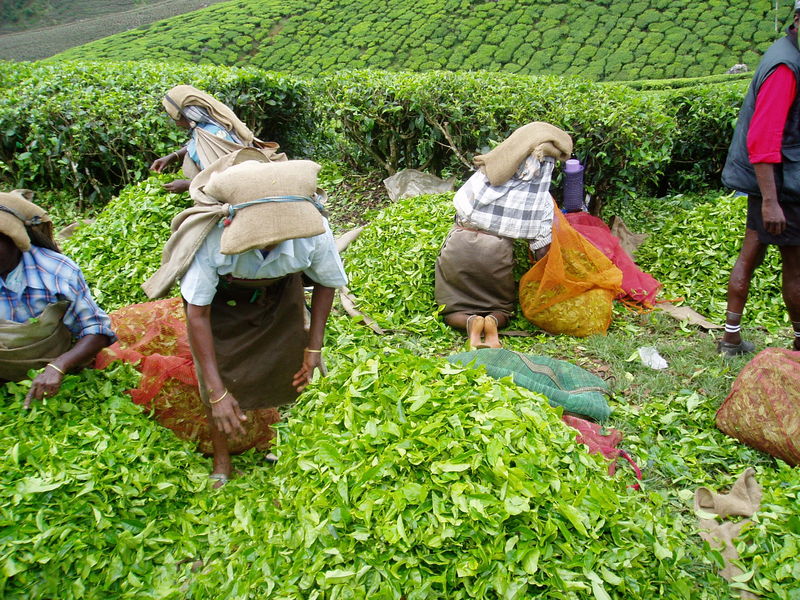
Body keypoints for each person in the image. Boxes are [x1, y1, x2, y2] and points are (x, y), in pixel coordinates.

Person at [144, 152, 347, 486]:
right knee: (217, 375)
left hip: (280, 292)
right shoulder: (210, 236)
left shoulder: (312, 227)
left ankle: (280, 435)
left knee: (288, 365)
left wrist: (314, 348)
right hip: (224, 299)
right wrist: (217, 391)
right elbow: (198, 313)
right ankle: (222, 460)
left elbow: (327, 282)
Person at [435, 122, 572, 348]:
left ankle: (471, 323)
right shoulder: (541, 202)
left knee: (452, 308)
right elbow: (542, 249)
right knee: (502, 308)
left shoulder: (483, 178)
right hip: (496, 254)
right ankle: (491, 321)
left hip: (458, 245)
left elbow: (459, 205)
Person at [720, 4, 800, 355]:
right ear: (797, 20)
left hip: (771, 182)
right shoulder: (786, 66)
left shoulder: (788, 53)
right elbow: (763, 138)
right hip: (780, 188)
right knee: (796, 267)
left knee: (749, 253)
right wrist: (771, 201)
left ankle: (730, 337)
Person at [0, 190, 115, 406]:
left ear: (15, 240)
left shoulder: (56, 272)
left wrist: (58, 367)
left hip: (60, 375)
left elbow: (96, 330)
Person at [149, 85, 281, 193]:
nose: (177, 124)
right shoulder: (203, 128)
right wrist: (172, 157)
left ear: (189, 115)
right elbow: (198, 145)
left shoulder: (215, 134)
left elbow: (228, 180)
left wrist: (188, 185)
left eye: (176, 119)